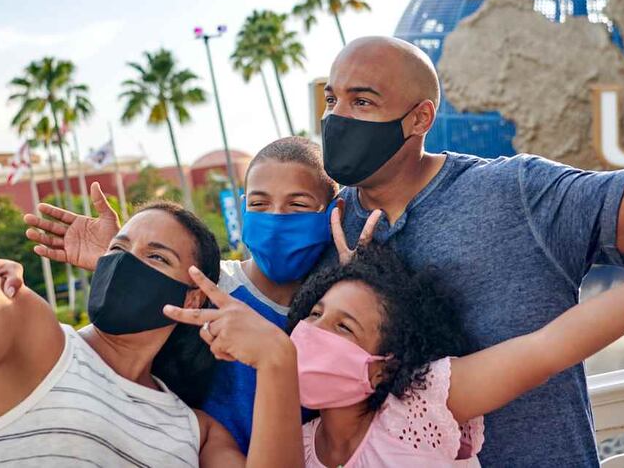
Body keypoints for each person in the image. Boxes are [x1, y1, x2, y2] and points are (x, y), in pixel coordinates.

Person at [313, 5, 624, 466]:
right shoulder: (324, 228)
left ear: (421, 117)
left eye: (362, 102)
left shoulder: (514, 192)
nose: (337, 117)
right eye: (333, 99)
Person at [167, 209, 624, 467]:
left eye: (343, 325)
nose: (313, 333)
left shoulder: (420, 403)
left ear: (382, 365)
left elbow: (550, 346)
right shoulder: (292, 447)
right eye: (313, 313)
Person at [24, 136, 379, 453]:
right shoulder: (204, 286)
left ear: (335, 212)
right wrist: (121, 259)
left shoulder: (331, 315)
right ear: (243, 208)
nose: (276, 217)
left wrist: (359, 282)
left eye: (297, 205)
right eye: (259, 203)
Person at [0, 201, 301, 466]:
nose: (125, 265)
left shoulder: (196, 431)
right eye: (118, 250)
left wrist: (278, 360)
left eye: (156, 257)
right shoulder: (37, 339)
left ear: (192, 297)